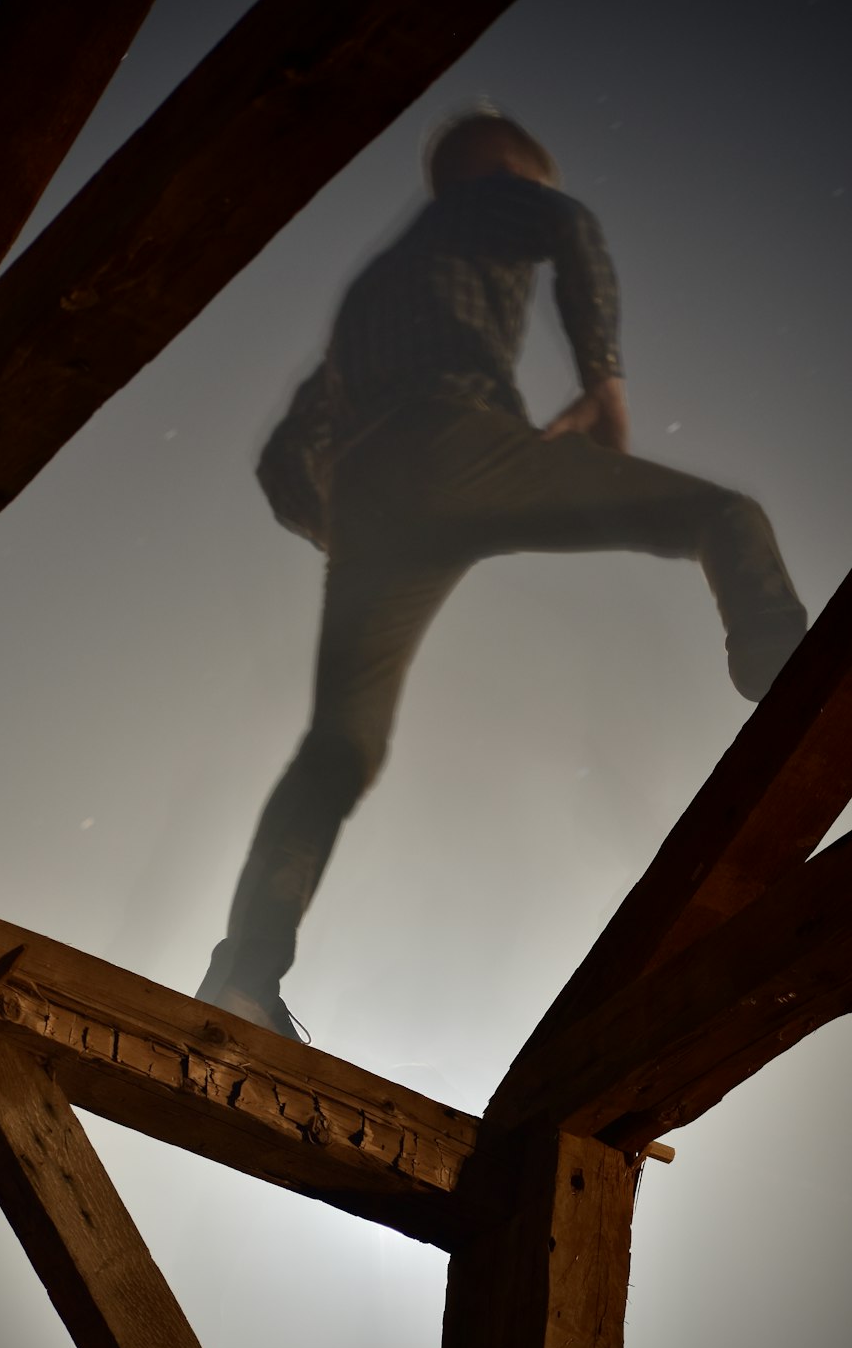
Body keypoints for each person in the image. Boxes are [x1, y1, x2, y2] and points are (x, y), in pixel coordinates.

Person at [195, 110, 806, 1042]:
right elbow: (573, 230)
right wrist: (603, 381)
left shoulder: (370, 298)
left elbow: (283, 459)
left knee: (337, 751)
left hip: (374, 498)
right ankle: (794, 691)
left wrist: (354, 533)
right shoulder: (486, 204)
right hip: (454, 440)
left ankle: (241, 977)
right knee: (722, 516)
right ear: (507, 170)